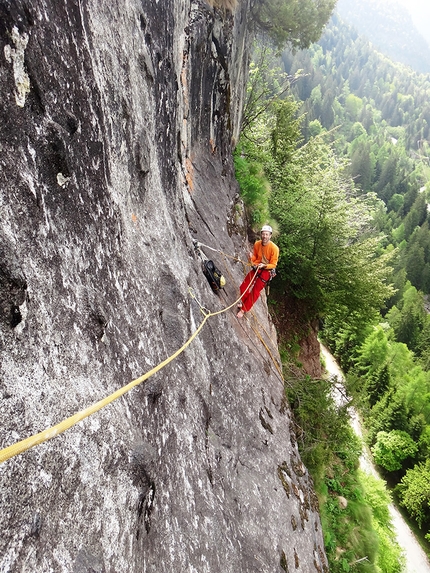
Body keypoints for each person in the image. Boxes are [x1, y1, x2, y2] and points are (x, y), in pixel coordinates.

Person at [237, 225, 279, 318]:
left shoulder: (274, 248)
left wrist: (264, 265)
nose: (265, 236)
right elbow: (255, 257)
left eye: (267, 234)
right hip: (257, 268)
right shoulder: (257, 244)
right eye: (263, 234)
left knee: (255, 292)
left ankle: (244, 309)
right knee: (243, 286)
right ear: (261, 234)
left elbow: (273, 264)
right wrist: (251, 258)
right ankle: (244, 303)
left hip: (266, 272)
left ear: (270, 235)